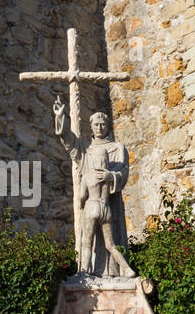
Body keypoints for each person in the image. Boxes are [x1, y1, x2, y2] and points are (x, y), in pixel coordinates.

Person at [54, 95, 136, 277]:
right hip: (98, 205)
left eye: (103, 124)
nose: (99, 127)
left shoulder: (118, 148)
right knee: (98, 241)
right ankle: (90, 270)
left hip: (110, 203)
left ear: (108, 126)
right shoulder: (85, 149)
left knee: (103, 240)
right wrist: (61, 116)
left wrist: (111, 175)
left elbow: (124, 172)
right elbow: (68, 141)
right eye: (96, 124)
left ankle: (112, 272)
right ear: (91, 127)